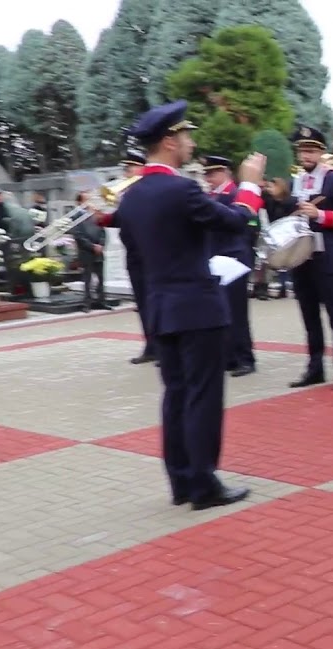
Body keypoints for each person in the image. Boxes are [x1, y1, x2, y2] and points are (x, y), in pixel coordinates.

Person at [96, 100, 266, 509]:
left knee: (175, 395)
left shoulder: (132, 198)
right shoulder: (181, 188)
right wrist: (251, 184)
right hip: (197, 308)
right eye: (186, 135)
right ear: (170, 141)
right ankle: (204, 484)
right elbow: (236, 220)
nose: (191, 143)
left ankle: (182, 482)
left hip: (160, 308)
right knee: (202, 396)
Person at [287, 126, 333, 391]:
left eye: (310, 150)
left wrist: (321, 216)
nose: (305, 155)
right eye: (302, 150)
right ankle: (315, 368)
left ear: (321, 152)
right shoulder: (296, 179)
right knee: (309, 315)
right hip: (301, 256)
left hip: (328, 255)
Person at [202, 155, 257, 377]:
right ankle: (229, 356)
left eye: (212, 174)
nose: (208, 178)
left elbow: (249, 224)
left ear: (224, 172)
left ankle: (245, 358)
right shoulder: (211, 196)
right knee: (222, 311)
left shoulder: (235, 194)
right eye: (207, 174)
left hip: (233, 258)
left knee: (237, 312)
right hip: (216, 259)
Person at [119, 150, 156, 364]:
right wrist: (102, 216)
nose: (126, 172)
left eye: (130, 168)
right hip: (134, 255)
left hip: (151, 255)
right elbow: (121, 220)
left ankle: (163, 346)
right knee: (142, 303)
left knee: (155, 302)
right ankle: (150, 345)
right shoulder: (127, 194)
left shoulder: (148, 192)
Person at [71, 191, 110, 312]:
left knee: (101, 278)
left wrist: (101, 245)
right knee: (87, 279)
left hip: (99, 251)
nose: (89, 202)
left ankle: (101, 301)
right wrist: (92, 246)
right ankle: (87, 303)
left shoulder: (95, 214)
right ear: (79, 202)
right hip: (86, 252)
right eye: (85, 200)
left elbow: (103, 231)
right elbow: (78, 235)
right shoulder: (75, 216)